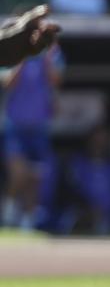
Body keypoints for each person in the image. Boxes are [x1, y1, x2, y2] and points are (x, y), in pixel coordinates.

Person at [1, 34, 64, 230]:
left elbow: (56, 80)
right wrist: (23, 57)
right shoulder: (10, 53)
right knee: (18, 173)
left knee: (36, 178)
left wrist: (45, 56)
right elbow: (8, 83)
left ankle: (27, 221)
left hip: (39, 126)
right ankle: (9, 211)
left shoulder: (52, 53)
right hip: (15, 125)